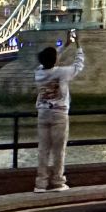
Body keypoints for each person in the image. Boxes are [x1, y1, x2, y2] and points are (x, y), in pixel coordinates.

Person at [32, 30, 85, 192]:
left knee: (43, 150)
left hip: (43, 114)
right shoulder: (62, 72)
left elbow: (49, 60)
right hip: (59, 114)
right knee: (58, 150)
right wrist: (78, 45)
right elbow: (78, 65)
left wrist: (65, 45)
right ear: (54, 60)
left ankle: (40, 184)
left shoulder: (38, 72)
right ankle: (57, 182)